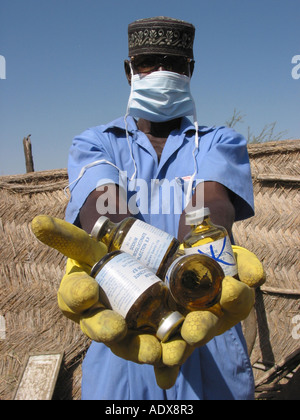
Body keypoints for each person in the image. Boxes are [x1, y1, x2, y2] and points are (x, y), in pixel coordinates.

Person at [64, 17, 256, 400]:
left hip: (203, 323)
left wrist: (196, 256)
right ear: (129, 71)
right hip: (126, 326)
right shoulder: (96, 143)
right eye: (148, 62)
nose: (161, 72)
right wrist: (163, 281)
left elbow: (211, 203)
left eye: (173, 62)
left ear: (190, 71)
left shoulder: (219, 142)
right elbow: (104, 211)